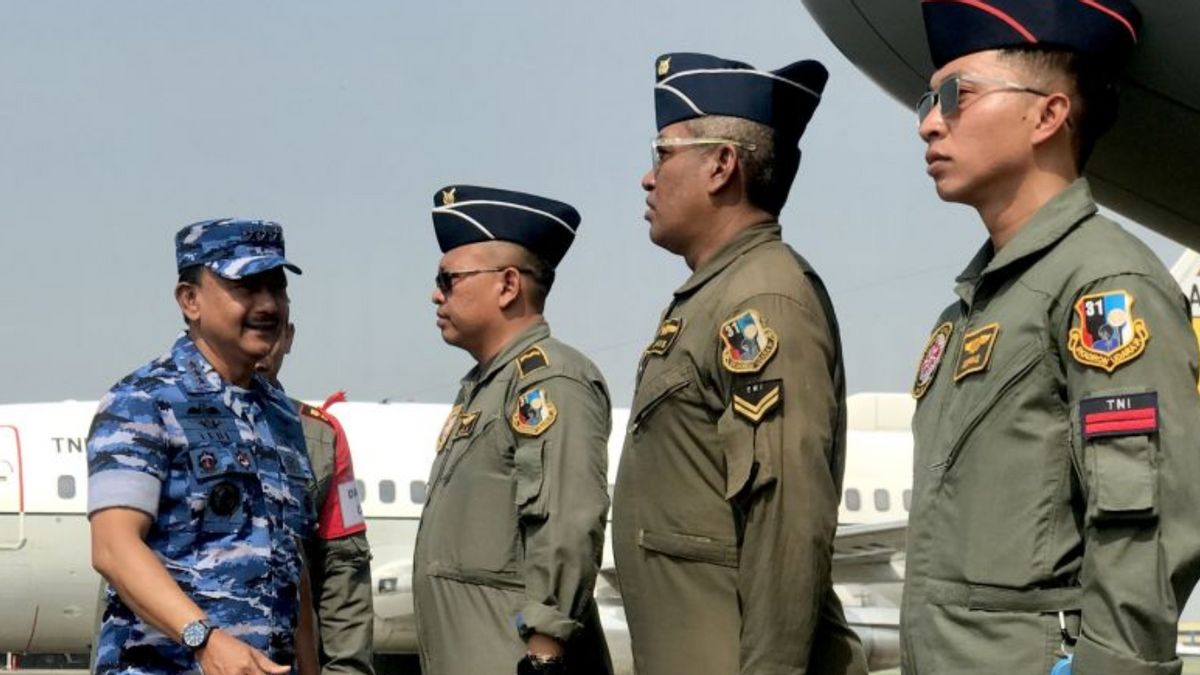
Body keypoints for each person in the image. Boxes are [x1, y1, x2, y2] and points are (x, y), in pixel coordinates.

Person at [902, 2, 1200, 673]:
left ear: (1048, 115)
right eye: (928, 99)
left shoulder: (1105, 286)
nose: (928, 121)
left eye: (957, 95)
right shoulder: (969, 310)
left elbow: (1141, 539)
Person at [611, 53, 868, 675]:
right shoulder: (715, 296)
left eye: (663, 154)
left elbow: (787, 517)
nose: (647, 178)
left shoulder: (762, 299)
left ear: (722, 165)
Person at [87, 218, 318, 674]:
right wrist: (204, 640)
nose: (269, 305)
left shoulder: (283, 417)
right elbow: (113, 547)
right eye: (247, 287)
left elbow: (291, 566)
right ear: (190, 300)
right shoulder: (144, 400)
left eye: (277, 288)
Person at [413, 185, 612, 675]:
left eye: (449, 279)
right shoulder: (489, 386)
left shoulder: (550, 380)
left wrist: (544, 656)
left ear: (506, 285)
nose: (435, 293)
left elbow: (566, 521)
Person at [257, 323, 376, 675]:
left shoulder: (320, 436)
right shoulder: (158, 413)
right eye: (247, 326)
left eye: (271, 330)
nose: (260, 346)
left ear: (289, 336)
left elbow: (344, 571)